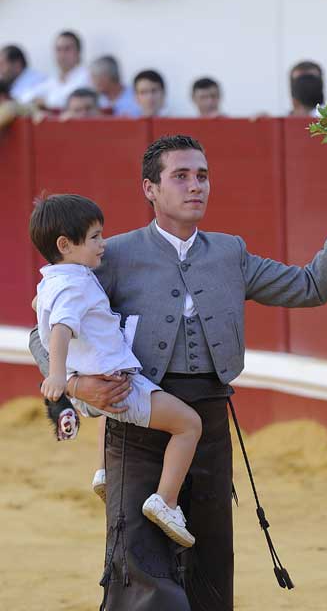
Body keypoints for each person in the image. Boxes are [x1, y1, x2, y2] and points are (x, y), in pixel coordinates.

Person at [29, 134, 327, 610]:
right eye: (181, 176)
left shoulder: (229, 253)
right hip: (137, 423)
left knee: (210, 562)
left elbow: (311, 285)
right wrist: (74, 384)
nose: (196, 186)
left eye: (202, 175)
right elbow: (44, 330)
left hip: (210, 423)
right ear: (150, 189)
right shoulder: (110, 256)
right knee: (140, 566)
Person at [29, 193, 201, 548]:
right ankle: (166, 500)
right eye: (94, 237)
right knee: (188, 425)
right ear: (65, 244)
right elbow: (61, 327)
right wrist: (58, 376)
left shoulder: (52, 281)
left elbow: (42, 308)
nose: (102, 244)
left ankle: (103, 471)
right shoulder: (75, 285)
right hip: (116, 385)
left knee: (109, 413)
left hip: (95, 390)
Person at [21, 31, 90, 110]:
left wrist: (44, 102)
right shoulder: (53, 79)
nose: (62, 54)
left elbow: (65, 102)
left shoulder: (88, 76)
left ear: (78, 52)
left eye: (67, 49)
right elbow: (25, 97)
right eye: (58, 50)